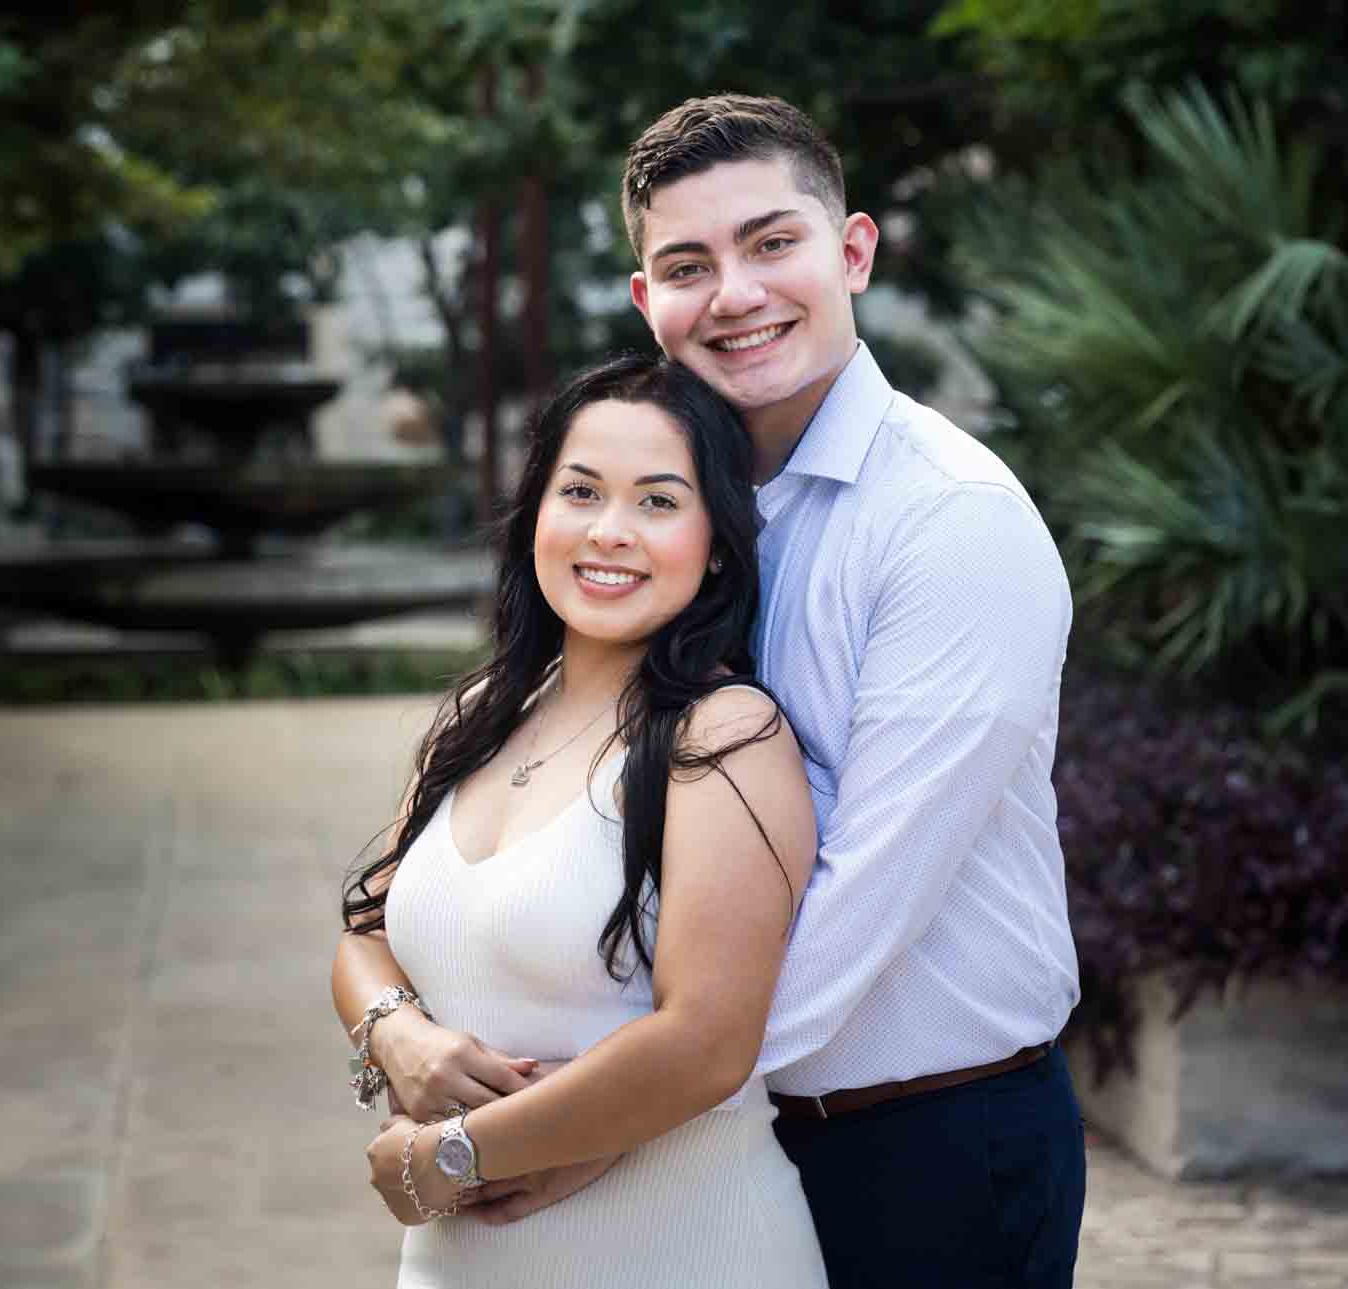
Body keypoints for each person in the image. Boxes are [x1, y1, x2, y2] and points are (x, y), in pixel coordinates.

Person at [613, 93, 1088, 1288]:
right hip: (721, 1128)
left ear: (853, 251)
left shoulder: (947, 517)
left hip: (921, 1143)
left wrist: (603, 1110)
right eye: (686, 264)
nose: (733, 293)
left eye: (771, 242)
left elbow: (863, 901)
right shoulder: (665, 520)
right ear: (644, 303)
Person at [332, 353, 829, 1287]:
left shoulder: (723, 734)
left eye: (657, 501)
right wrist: (398, 1035)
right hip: (458, 1260)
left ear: (718, 540)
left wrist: (449, 1155)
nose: (611, 532)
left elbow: (707, 1042)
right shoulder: (481, 714)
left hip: (682, 1247)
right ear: (537, 516)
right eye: (582, 491)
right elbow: (367, 931)